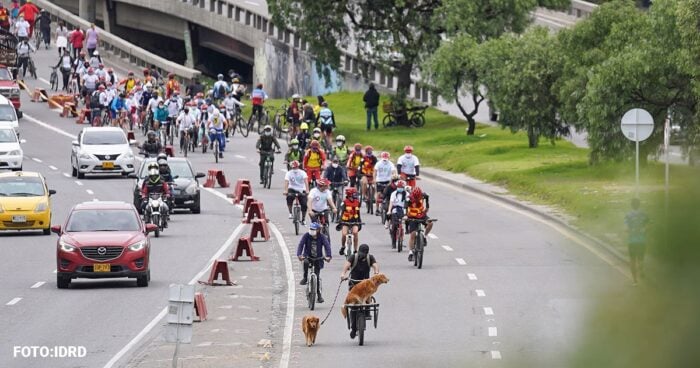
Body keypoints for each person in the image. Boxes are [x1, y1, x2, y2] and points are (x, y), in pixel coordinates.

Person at [340, 243, 379, 339]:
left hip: (366, 285)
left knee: (368, 298)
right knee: (353, 306)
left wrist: (376, 272)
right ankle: (353, 328)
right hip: (354, 285)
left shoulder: (370, 258)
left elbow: (375, 265)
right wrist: (343, 274)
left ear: (367, 253)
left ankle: (367, 312)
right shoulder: (354, 257)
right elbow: (347, 264)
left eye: (363, 253)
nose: (361, 255)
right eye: (360, 253)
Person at [296, 222, 332, 303]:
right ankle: (305, 278)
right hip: (308, 257)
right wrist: (299, 254)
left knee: (317, 276)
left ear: (318, 230)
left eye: (313, 229)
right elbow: (301, 244)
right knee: (305, 262)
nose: (311, 231)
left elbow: (327, 246)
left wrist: (328, 256)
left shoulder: (322, 237)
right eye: (311, 229)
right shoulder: (306, 235)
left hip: (318, 259)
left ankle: (319, 295)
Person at [625, 198, 649, 286]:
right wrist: (644, 230)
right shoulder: (644, 214)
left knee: (632, 260)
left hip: (632, 241)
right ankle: (641, 270)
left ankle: (635, 281)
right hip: (642, 240)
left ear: (631, 205)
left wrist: (629, 231)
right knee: (641, 258)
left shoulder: (628, 215)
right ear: (639, 204)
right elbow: (649, 224)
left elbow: (626, 228)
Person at [405, 187, 433, 262]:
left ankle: (424, 236)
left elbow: (426, 210)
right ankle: (410, 252)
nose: (417, 199)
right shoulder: (409, 199)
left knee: (430, 223)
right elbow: (405, 209)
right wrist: (406, 216)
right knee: (413, 234)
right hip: (412, 217)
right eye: (415, 198)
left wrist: (427, 201)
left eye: (419, 197)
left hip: (421, 215)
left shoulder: (424, 196)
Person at [140, 162, 170, 228]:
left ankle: (165, 219)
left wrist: (167, 194)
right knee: (144, 206)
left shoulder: (162, 180)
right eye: (152, 176)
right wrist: (144, 196)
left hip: (159, 198)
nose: (154, 177)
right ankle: (146, 218)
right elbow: (144, 190)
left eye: (155, 176)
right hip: (150, 198)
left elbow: (166, 188)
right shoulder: (147, 181)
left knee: (166, 206)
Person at [337, 187, 361, 256]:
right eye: (354, 194)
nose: (356, 195)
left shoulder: (357, 202)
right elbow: (340, 212)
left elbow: (358, 213)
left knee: (355, 232)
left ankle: (356, 249)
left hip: (354, 221)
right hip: (345, 221)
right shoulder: (344, 202)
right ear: (350, 195)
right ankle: (343, 246)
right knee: (344, 234)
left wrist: (359, 222)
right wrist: (340, 221)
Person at [387, 180, 407, 245]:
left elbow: (408, 203)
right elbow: (391, 203)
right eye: (399, 187)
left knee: (406, 222)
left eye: (401, 187)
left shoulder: (407, 194)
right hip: (395, 210)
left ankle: (404, 233)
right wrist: (389, 210)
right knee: (394, 226)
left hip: (403, 210)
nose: (400, 188)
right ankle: (393, 242)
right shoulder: (393, 194)